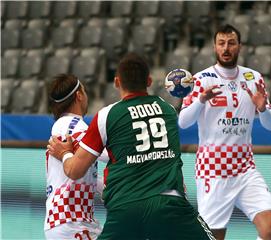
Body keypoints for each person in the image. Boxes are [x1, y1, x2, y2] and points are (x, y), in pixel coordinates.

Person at [47, 53, 215, 240]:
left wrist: (64, 154)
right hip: (168, 202)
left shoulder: (105, 116)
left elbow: (74, 170)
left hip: (125, 209)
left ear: (117, 82)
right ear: (149, 81)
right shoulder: (167, 110)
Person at [178, 24, 271, 240]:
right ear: (215, 47)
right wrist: (200, 100)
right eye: (221, 43)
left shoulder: (254, 78)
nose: (226, 48)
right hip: (213, 171)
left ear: (239, 47)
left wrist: (262, 109)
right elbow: (183, 121)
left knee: (270, 229)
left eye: (231, 43)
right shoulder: (201, 79)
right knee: (214, 237)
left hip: (245, 169)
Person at [45, 74, 108, 239]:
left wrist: (105, 186)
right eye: (85, 91)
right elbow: (104, 153)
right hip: (71, 221)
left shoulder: (64, 125)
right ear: (79, 96)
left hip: (70, 220)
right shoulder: (72, 125)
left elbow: (79, 174)